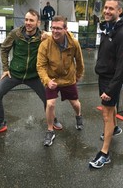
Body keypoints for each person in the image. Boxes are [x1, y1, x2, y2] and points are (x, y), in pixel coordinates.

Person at [0, 9, 62, 137]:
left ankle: (52, 120)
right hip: (14, 74)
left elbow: (61, 39)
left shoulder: (42, 36)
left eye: (31, 20)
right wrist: (5, 68)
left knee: (48, 100)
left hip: (34, 76)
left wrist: (49, 35)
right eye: (26, 19)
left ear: (38, 23)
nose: (28, 23)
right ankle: (0, 124)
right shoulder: (16, 34)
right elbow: (4, 49)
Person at [89, 0, 123, 169]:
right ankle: (114, 129)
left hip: (111, 80)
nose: (106, 11)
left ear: (119, 11)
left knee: (106, 114)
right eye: (105, 8)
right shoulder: (108, 28)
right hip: (104, 77)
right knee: (111, 108)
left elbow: (122, 67)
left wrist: (112, 89)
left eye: (111, 9)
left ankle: (105, 153)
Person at [37, 15, 85, 147]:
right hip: (52, 79)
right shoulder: (45, 45)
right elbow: (40, 66)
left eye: (58, 28)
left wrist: (79, 75)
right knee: (50, 104)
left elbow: (80, 61)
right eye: (53, 28)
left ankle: (79, 116)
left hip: (68, 79)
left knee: (75, 104)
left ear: (65, 29)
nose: (55, 31)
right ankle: (50, 130)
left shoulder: (74, 43)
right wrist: (47, 80)